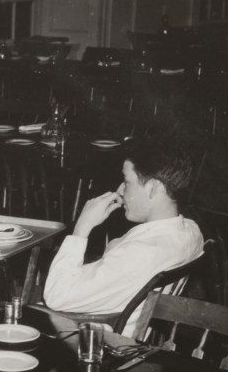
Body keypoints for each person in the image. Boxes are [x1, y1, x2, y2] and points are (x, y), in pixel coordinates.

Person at [42, 138, 204, 334]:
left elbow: (56, 297)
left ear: (152, 188)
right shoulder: (191, 232)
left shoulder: (140, 253)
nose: (120, 190)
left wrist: (81, 228)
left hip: (95, 339)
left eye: (127, 182)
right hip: (128, 328)